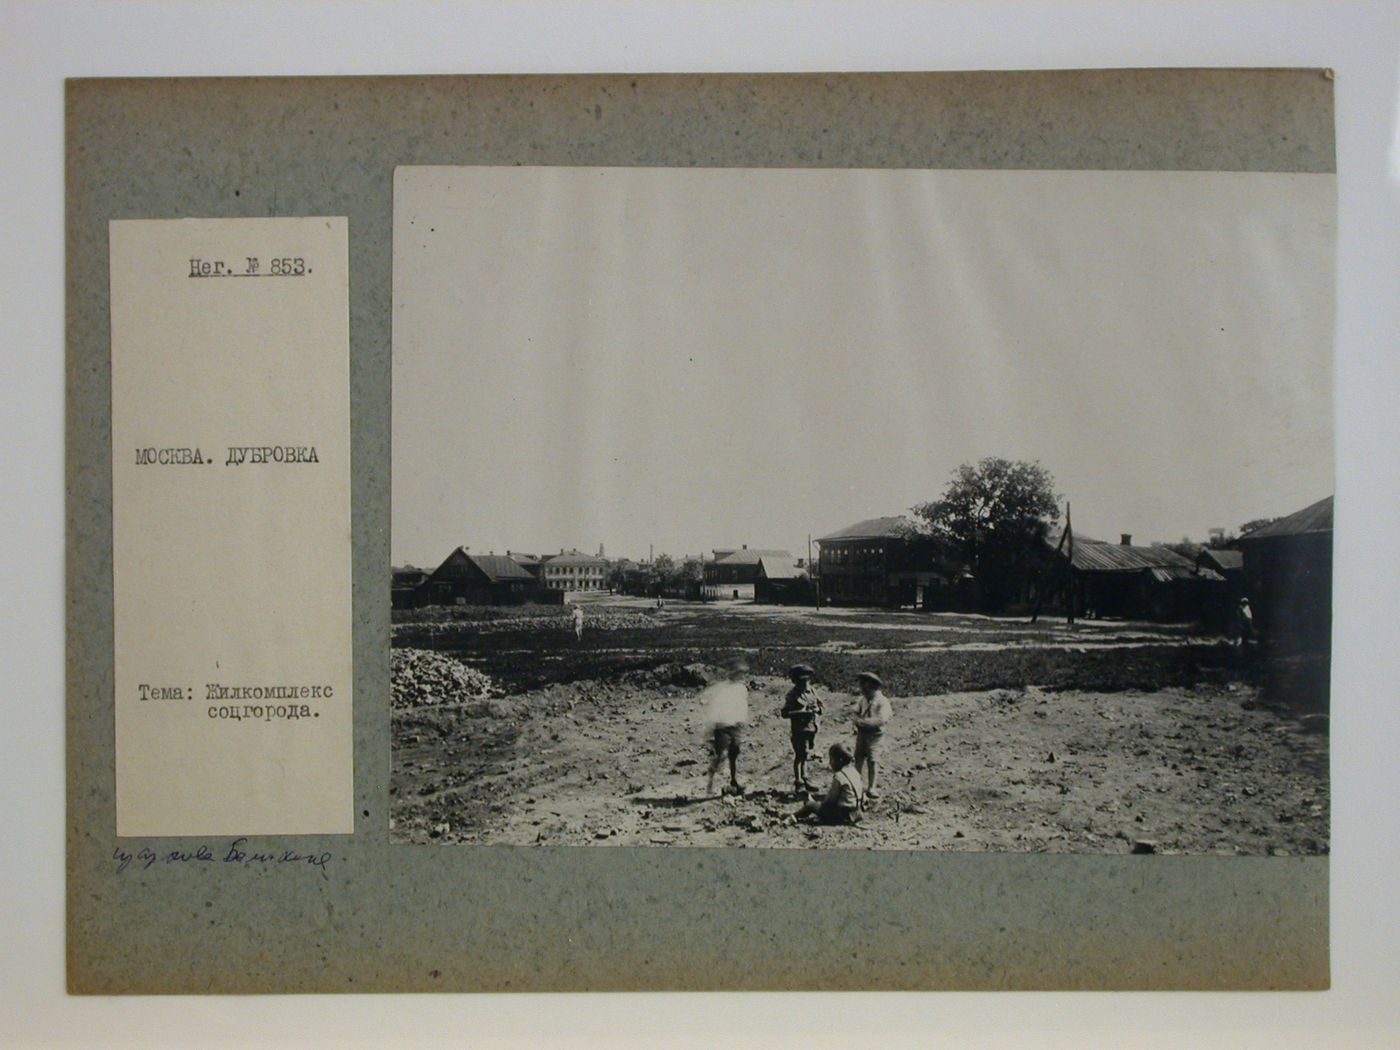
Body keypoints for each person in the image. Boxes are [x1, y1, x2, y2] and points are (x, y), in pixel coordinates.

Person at [701, 655, 750, 796]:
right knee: (720, 755)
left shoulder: (741, 688)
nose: (741, 677)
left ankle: (734, 780)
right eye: (739, 673)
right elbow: (714, 707)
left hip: (735, 726)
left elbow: (742, 705)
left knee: (734, 753)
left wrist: (742, 720)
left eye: (743, 674)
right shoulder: (722, 689)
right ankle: (711, 783)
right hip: (722, 726)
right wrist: (710, 729)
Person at [791, 743, 864, 825]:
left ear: (839, 761)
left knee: (810, 805)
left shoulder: (839, 776)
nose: (830, 763)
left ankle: (792, 817)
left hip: (843, 816)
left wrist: (817, 803)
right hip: (857, 813)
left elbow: (830, 801)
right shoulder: (854, 772)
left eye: (831, 759)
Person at [780, 664, 824, 792]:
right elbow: (784, 713)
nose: (805, 683)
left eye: (807, 680)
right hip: (799, 729)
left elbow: (821, 707)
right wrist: (800, 712)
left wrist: (817, 709)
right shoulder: (792, 695)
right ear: (796, 680)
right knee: (800, 755)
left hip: (812, 728)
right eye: (802, 681)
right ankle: (798, 781)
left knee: (806, 754)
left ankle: (805, 778)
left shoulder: (813, 691)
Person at [853, 671, 892, 801]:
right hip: (862, 733)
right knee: (858, 758)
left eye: (865, 685)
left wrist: (863, 722)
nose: (862, 688)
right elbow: (855, 712)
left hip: (875, 734)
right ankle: (857, 785)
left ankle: (872, 787)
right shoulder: (863, 700)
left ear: (873, 686)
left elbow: (882, 719)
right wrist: (857, 721)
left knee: (873, 759)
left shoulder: (882, 702)